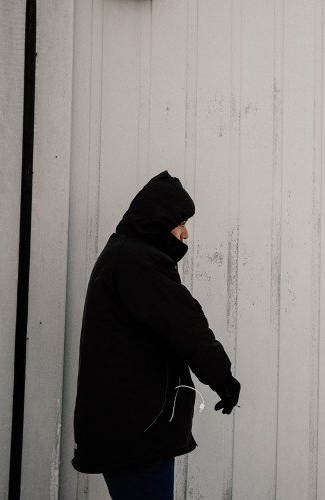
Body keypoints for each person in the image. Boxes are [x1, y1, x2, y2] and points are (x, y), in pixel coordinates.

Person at [72, 171, 241, 499]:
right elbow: (187, 327)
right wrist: (223, 379)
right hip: (137, 429)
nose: (185, 232)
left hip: (126, 425)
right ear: (160, 220)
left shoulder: (122, 255)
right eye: (180, 222)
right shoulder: (139, 262)